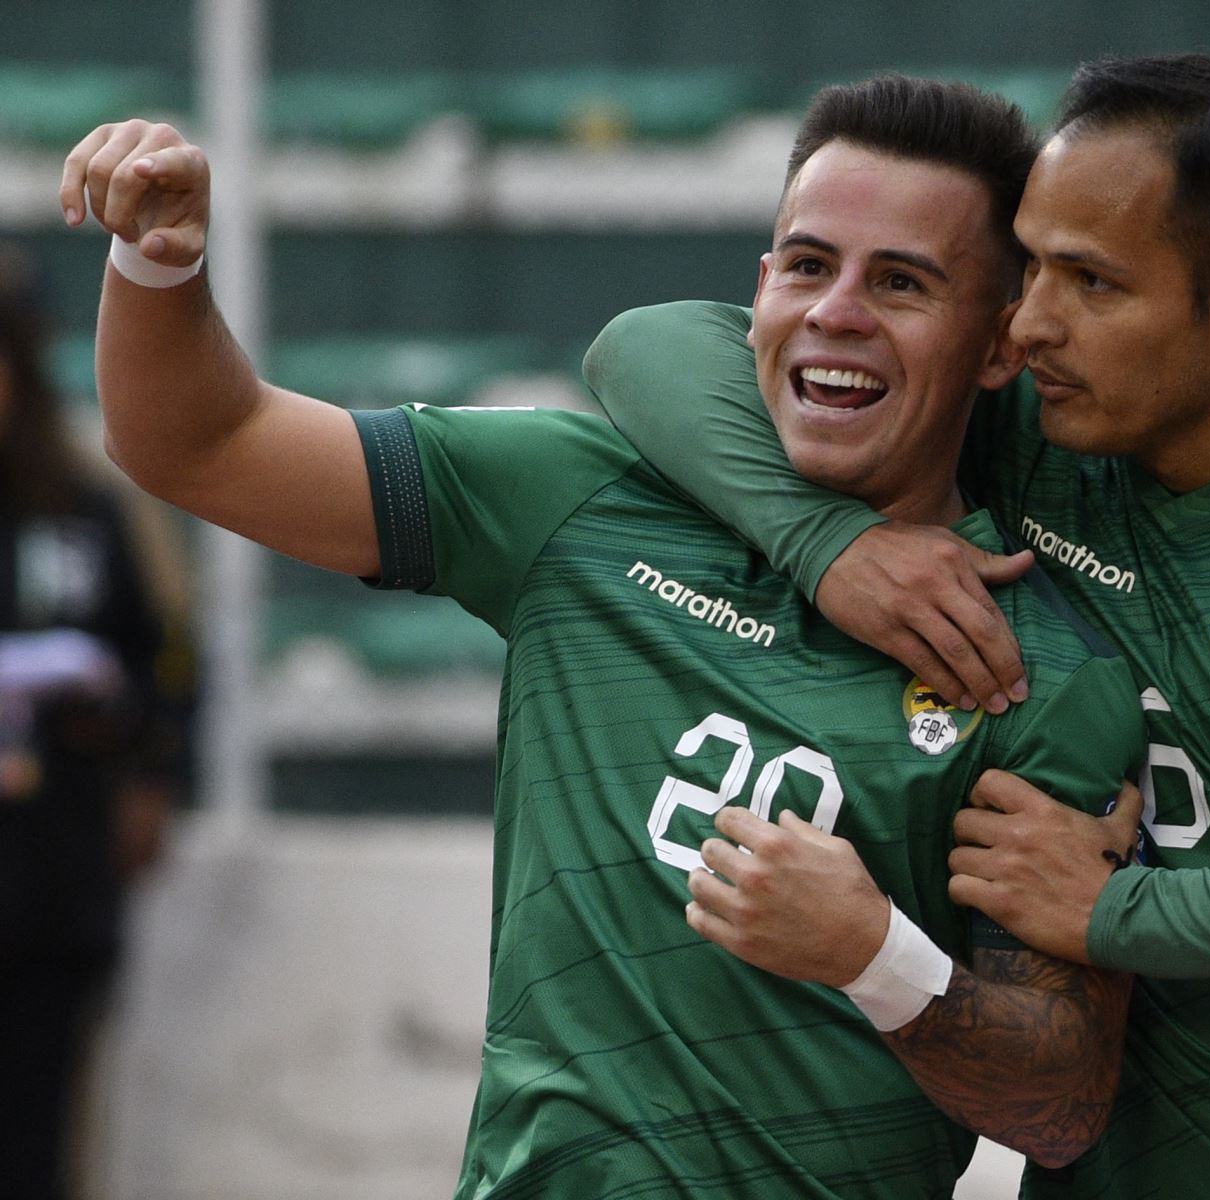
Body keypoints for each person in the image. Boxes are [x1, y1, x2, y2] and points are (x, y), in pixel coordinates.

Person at [62, 76, 1145, 1198]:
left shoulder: (1038, 669)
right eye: (810, 265)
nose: (838, 313)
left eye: (904, 282)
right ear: (761, 289)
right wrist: (163, 262)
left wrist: (882, 959)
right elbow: (202, 440)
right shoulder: (579, 500)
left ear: (999, 344)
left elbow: (1060, 1103)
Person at [585, 52, 1210, 1196]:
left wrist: (1121, 912)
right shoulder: (1035, 436)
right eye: (1027, 269)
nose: (1028, 324)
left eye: (1091, 283)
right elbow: (649, 346)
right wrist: (833, 551)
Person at [0, 248, 189, 1200]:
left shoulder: (85, 512)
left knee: (36, 1140)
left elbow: (172, 658)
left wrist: (157, 781)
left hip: (50, 887)